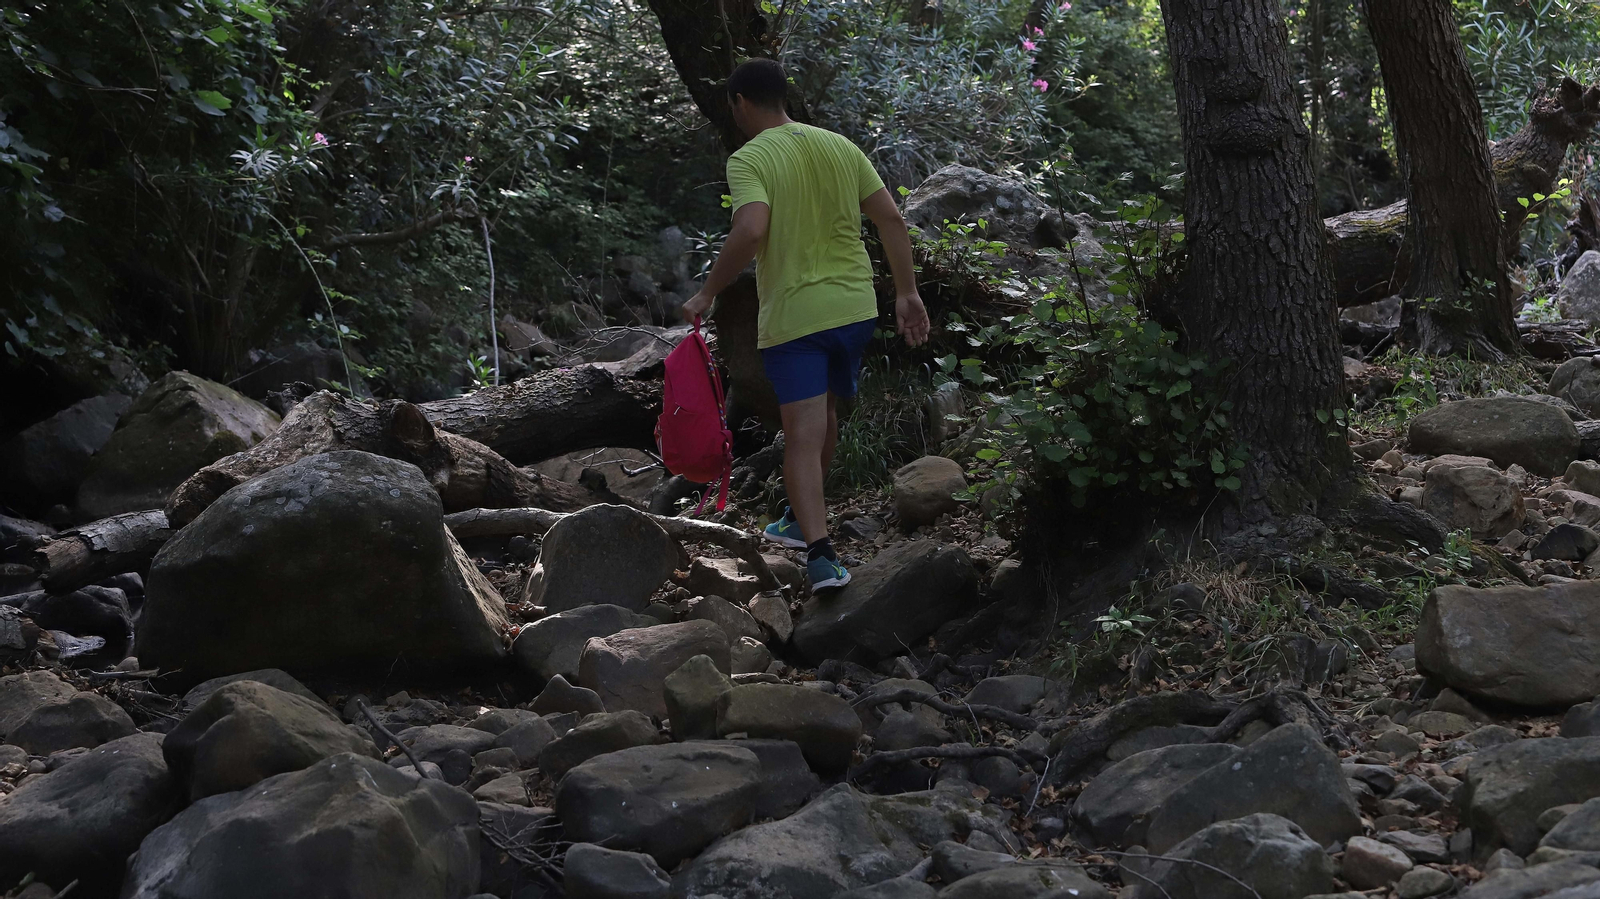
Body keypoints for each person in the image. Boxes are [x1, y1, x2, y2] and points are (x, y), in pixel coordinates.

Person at [681, 58, 930, 590]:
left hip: (796, 316)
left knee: (800, 434)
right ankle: (798, 520)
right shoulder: (840, 147)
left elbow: (750, 230)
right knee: (825, 416)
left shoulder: (750, 158)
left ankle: (819, 556)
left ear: (740, 103)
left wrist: (707, 291)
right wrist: (907, 292)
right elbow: (890, 219)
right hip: (854, 309)